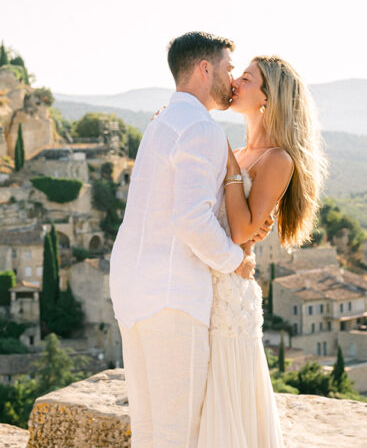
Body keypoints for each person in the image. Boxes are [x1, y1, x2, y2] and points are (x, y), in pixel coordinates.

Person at [110, 32, 258, 447]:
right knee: (180, 430)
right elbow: (190, 218)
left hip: (131, 287)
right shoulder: (200, 127)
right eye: (229, 68)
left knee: (149, 426)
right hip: (172, 293)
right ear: (204, 68)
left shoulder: (160, 122)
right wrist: (234, 260)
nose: (232, 79)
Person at [198, 55, 327, 447]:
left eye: (248, 78)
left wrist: (229, 166)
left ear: (267, 98)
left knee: (229, 403)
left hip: (230, 296)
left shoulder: (277, 159)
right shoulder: (238, 150)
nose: (235, 80)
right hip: (206, 283)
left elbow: (240, 230)